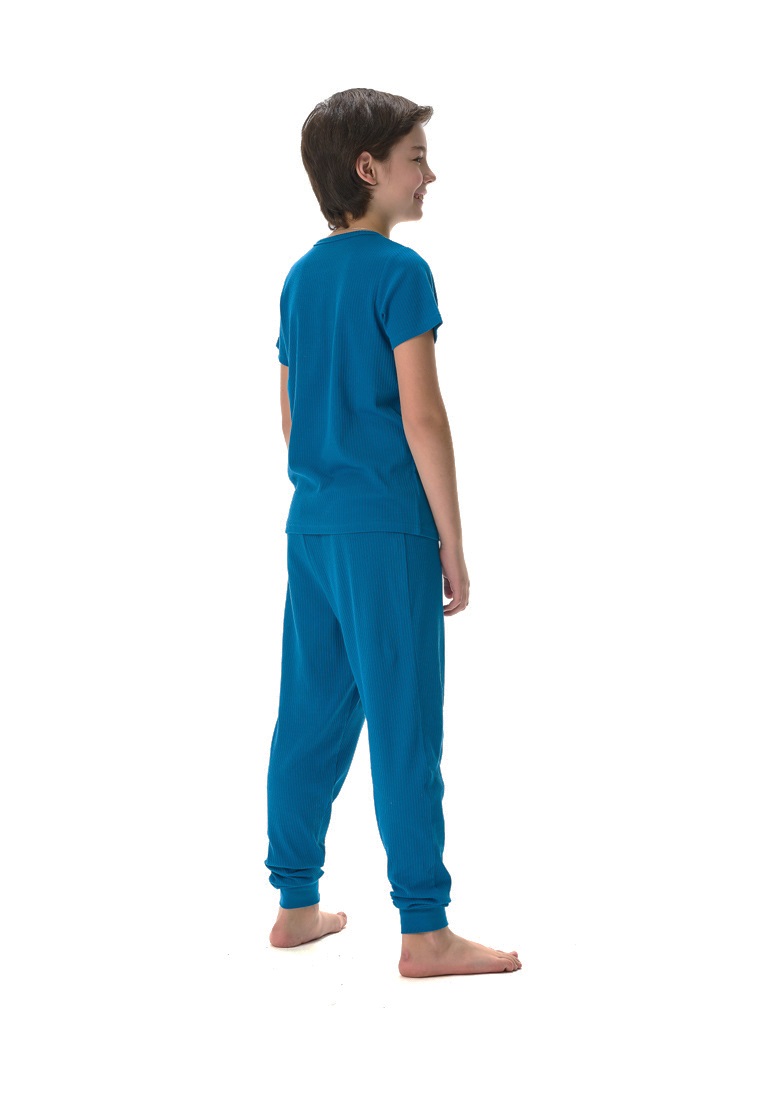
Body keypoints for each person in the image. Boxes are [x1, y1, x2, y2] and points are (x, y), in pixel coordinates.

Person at [265, 87, 522, 978]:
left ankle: (295, 905)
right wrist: (450, 540)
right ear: (368, 168)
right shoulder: (400, 273)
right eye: (417, 158)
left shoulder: (300, 277)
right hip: (386, 532)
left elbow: (290, 415)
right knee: (405, 723)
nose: (430, 175)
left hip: (314, 527)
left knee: (309, 717)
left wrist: (328, 486)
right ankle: (425, 929)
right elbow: (424, 418)